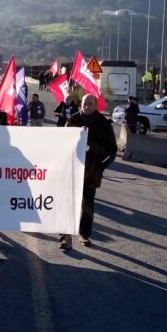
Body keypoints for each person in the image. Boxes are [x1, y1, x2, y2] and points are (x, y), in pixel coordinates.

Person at [60, 93, 117, 250]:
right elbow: (62, 141)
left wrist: (100, 166)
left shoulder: (104, 124)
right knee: (67, 203)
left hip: (91, 173)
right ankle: (65, 236)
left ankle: (84, 234)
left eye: (90, 104)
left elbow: (112, 151)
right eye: (85, 103)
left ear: (95, 105)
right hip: (71, 170)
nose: (87, 106)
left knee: (87, 205)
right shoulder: (73, 120)